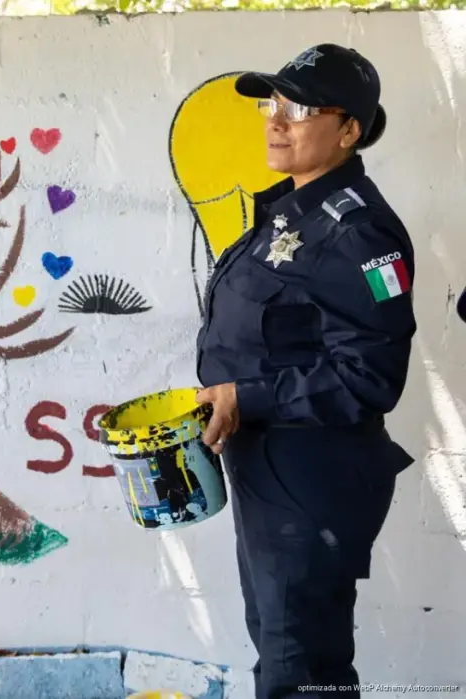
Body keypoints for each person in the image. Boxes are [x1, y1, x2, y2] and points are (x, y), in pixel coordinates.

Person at [192, 44, 416, 699]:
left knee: (300, 669)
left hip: (309, 483)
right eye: (273, 103)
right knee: (282, 649)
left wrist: (247, 394)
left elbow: (369, 376)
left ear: (350, 130)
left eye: (299, 108)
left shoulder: (360, 236)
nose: (276, 120)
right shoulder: (292, 213)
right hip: (269, 474)